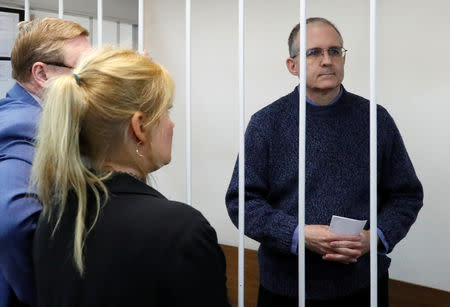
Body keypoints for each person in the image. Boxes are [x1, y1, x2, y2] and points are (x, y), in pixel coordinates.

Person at [225, 17, 423, 307]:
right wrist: (297, 234)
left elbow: (406, 195)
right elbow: (242, 202)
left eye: (335, 51)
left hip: (363, 285)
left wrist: (375, 237)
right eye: (313, 52)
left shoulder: (375, 119)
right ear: (292, 66)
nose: (327, 60)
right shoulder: (266, 123)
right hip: (287, 288)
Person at [31, 48, 230, 307]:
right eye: (167, 111)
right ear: (139, 127)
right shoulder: (181, 229)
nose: (171, 124)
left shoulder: (54, 215)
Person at [0, 18, 90, 307]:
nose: (92, 81)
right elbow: (12, 224)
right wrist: (45, 296)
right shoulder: (28, 125)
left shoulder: (17, 112)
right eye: (83, 70)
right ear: (41, 73)